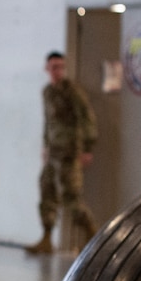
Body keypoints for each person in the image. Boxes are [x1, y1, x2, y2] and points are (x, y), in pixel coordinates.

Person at [26, 50, 97, 255]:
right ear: (47, 69)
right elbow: (48, 123)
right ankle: (46, 239)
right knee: (46, 192)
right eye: (53, 67)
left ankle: (93, 236)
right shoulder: (47, 92)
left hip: (69, 153)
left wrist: (87, 148)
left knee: (72, 198)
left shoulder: (72, 91)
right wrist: (45, 146)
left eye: (60, 67)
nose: (57, 71)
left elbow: (87, 118)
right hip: (53, 152)